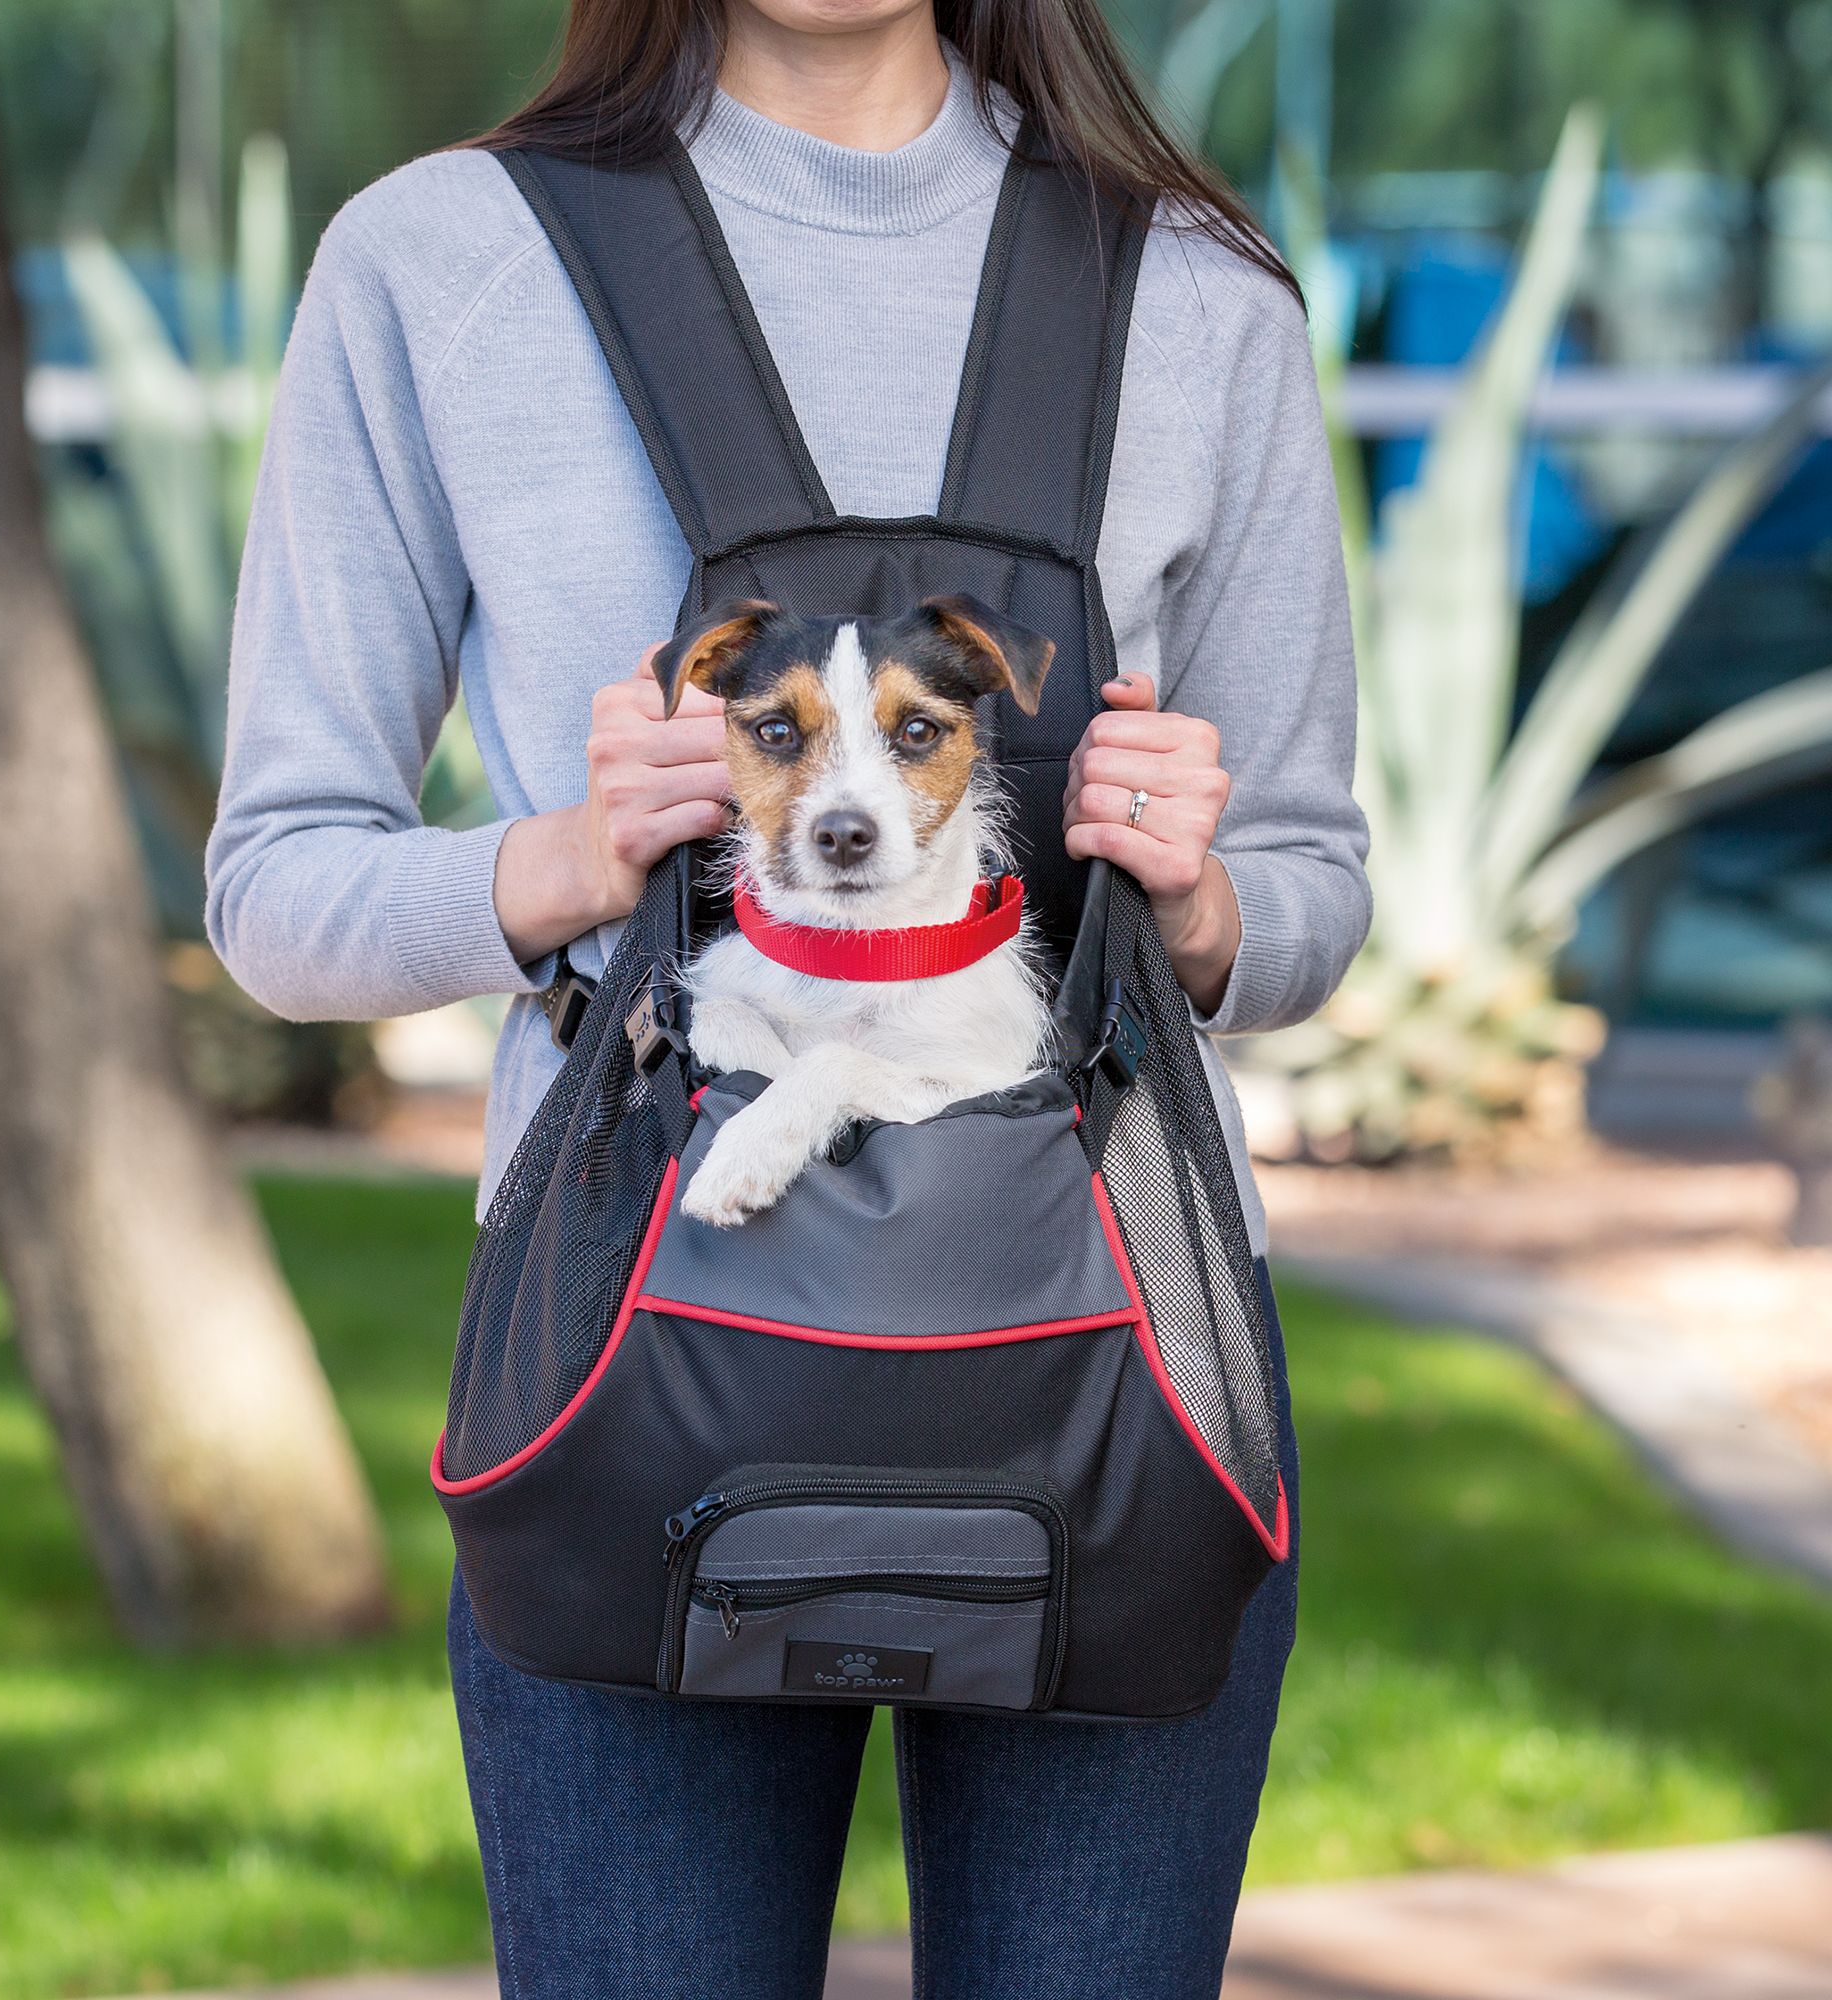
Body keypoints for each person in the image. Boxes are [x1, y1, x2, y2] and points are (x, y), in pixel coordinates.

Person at [207, 2, 1369, 1992]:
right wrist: (563, 859)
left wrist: (1192, 894)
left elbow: (1312, 899)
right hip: (641, 1366)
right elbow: (274, 884)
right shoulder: (445, 266)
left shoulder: (1193, 298)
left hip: (1108, 1377)